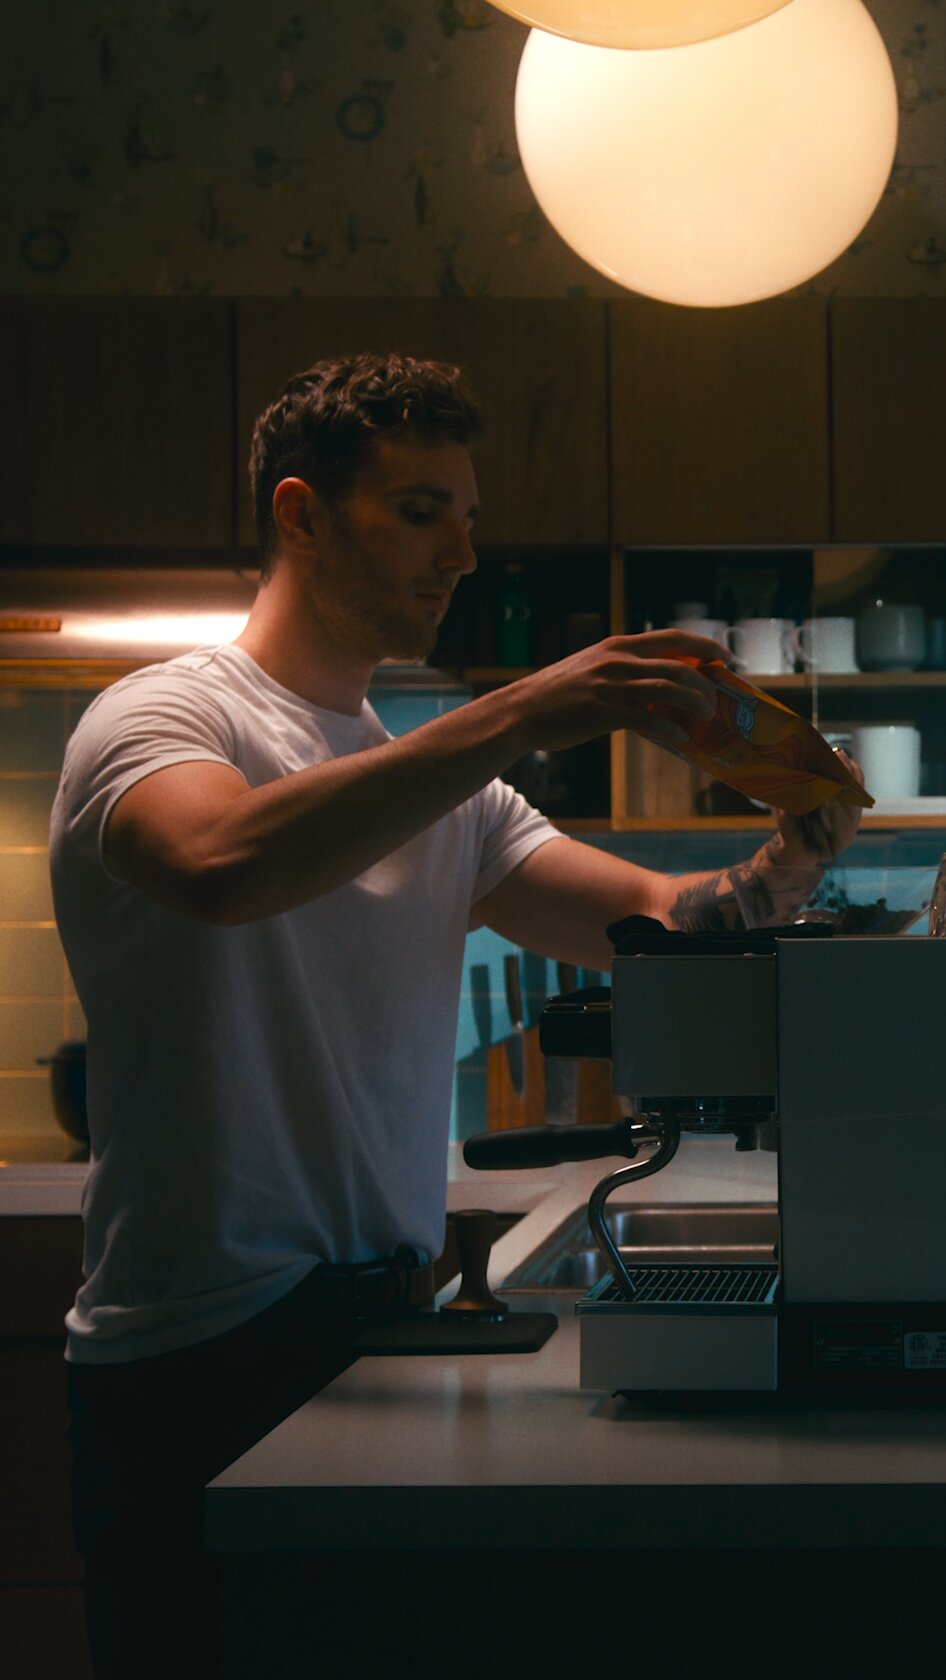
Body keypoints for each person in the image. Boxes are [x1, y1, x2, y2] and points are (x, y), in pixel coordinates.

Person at [50, 351, 863, 1677]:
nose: (462, 554)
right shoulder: (163, 717)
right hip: (193, 1351)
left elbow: (653, 924)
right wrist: (521, 710)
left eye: (470, 518)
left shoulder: (435, 783)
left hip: (380, 1324)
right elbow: (218, 865)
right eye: (423, 512)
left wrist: (785, 864)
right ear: (301, 515)